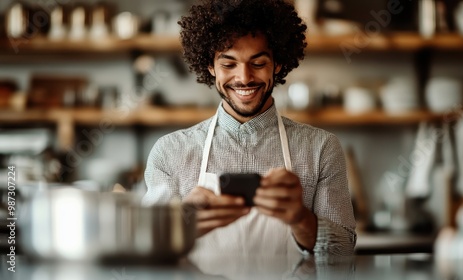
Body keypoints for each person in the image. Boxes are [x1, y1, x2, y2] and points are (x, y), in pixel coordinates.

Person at [142, 0, 356, 256]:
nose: (244, 78)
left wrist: (300, 218)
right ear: (210, 66)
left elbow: (343, 251)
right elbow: (146, 249)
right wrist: (180, 226)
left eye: (258, 63)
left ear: (277, 64)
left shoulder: (321, 148)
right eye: (228, 64)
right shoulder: (169, 153)